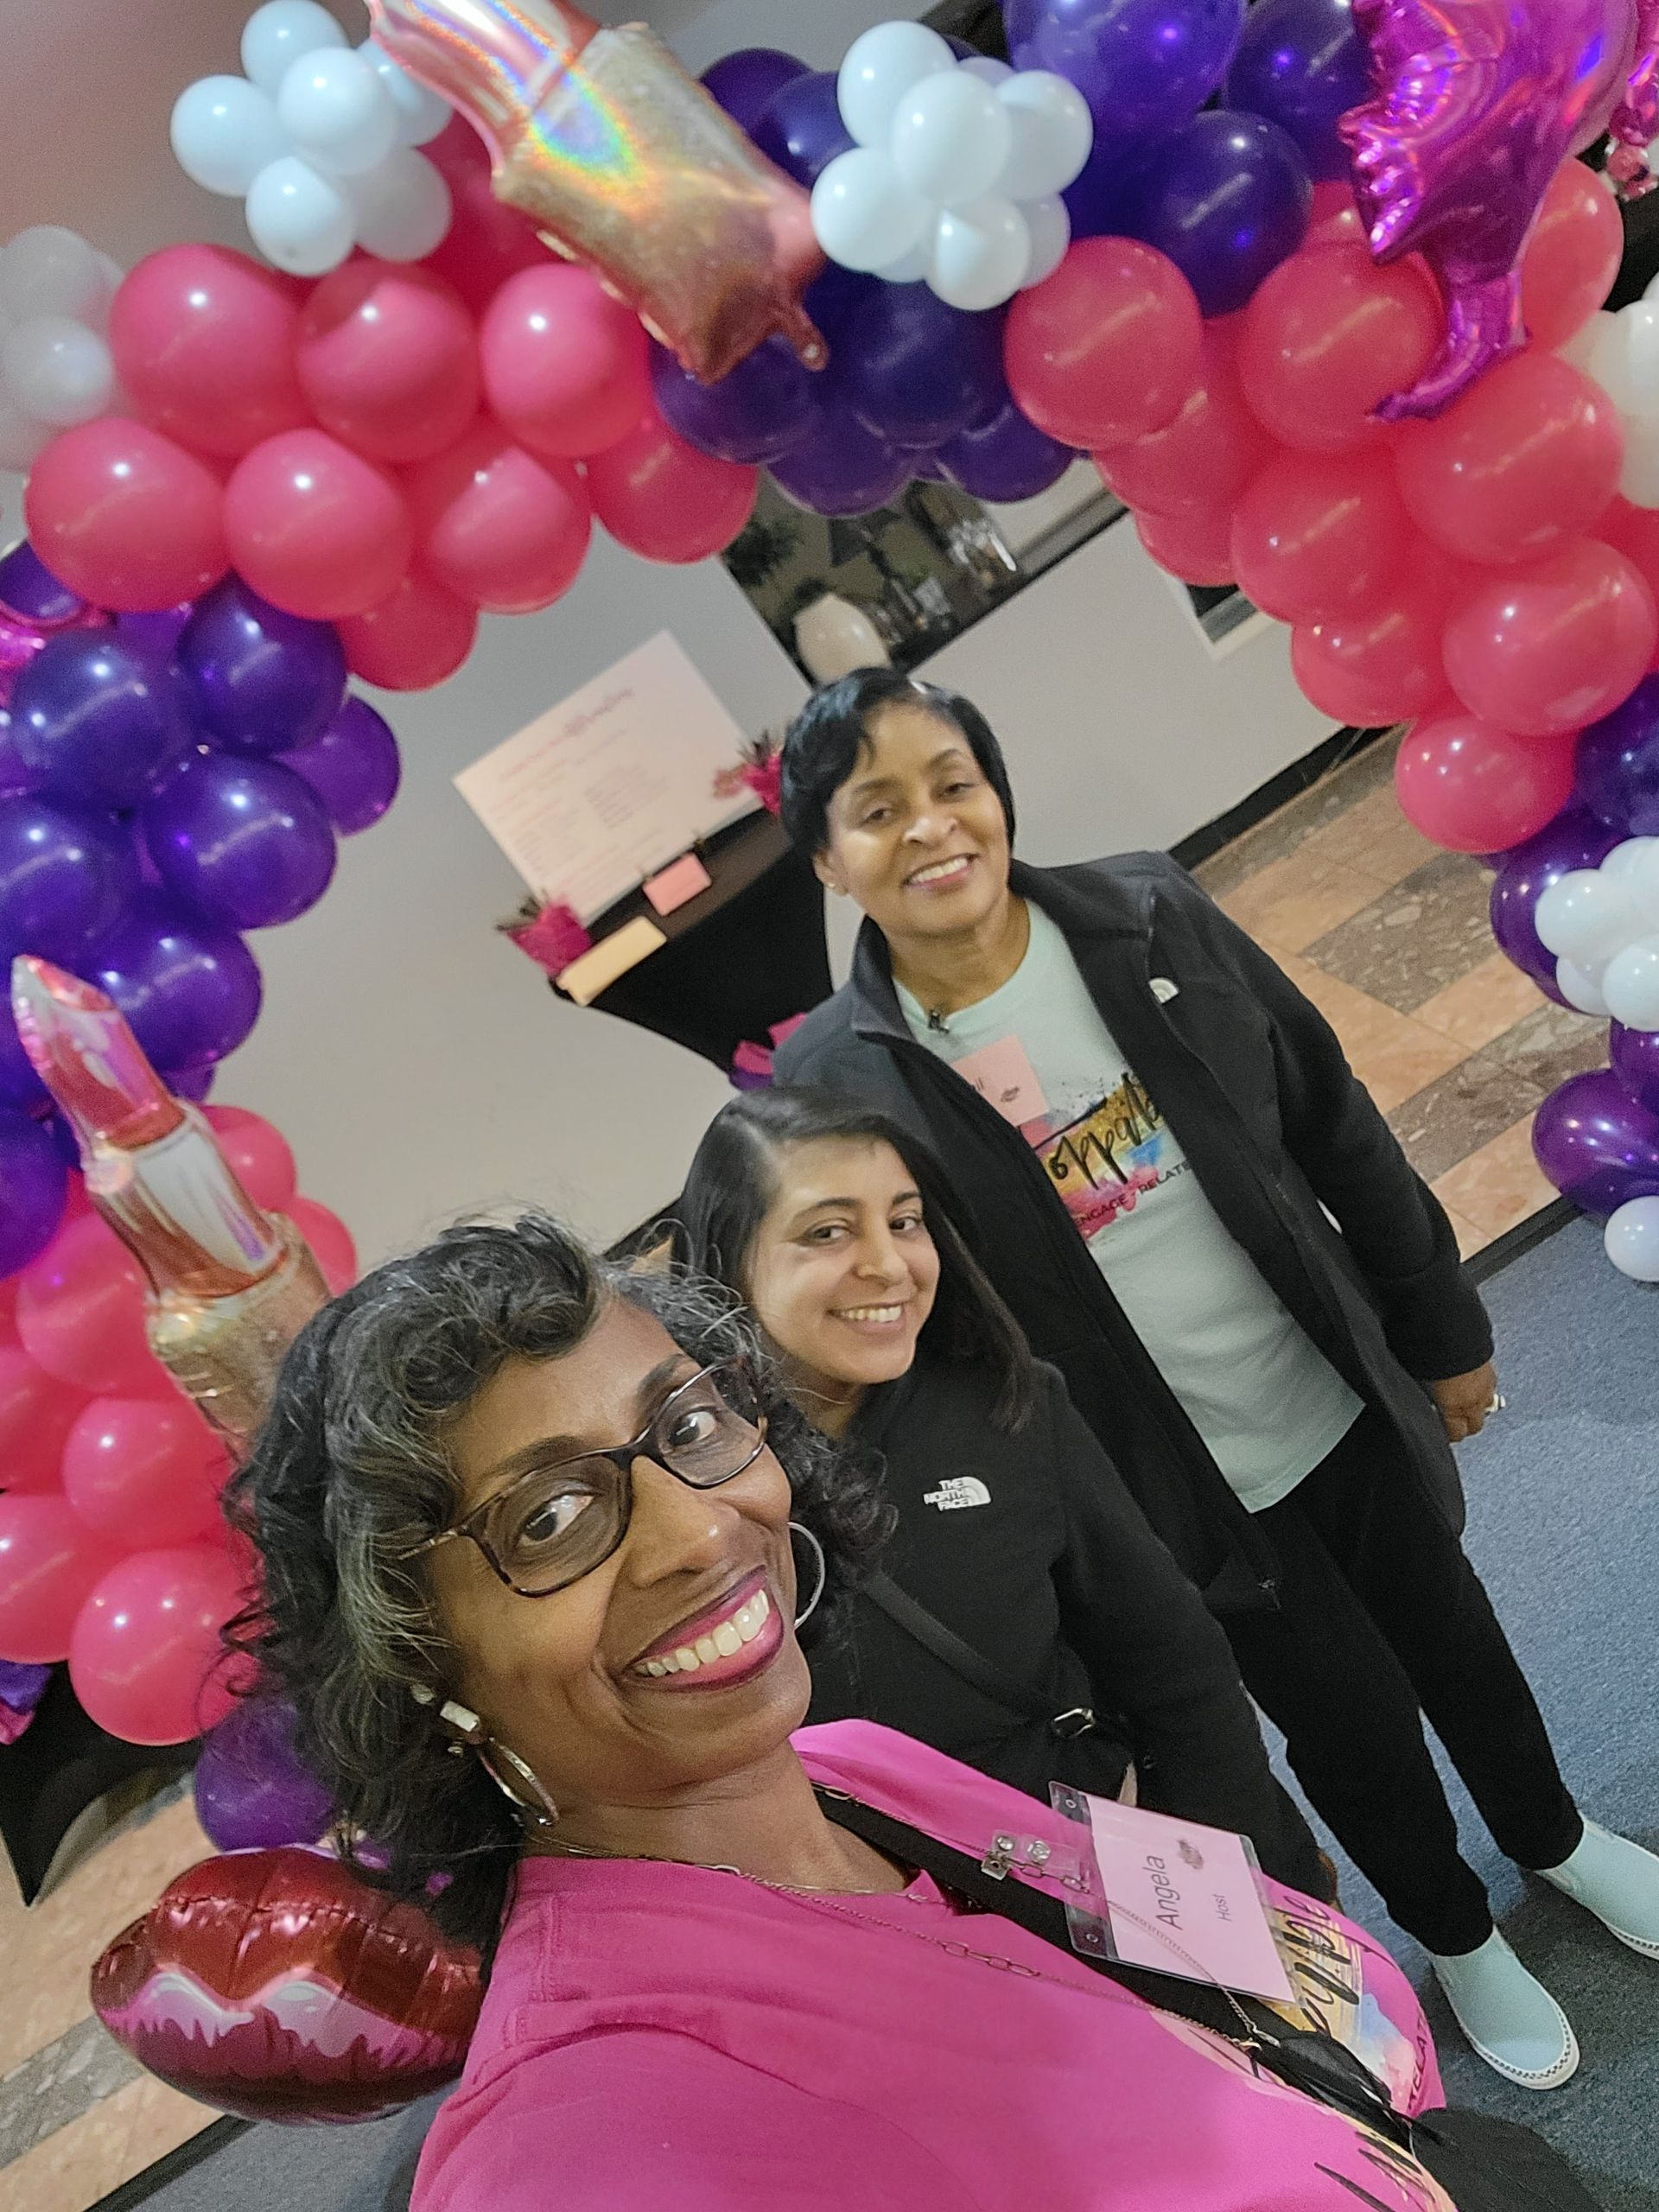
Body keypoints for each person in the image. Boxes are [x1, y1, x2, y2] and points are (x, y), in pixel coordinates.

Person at [771, 665, 1659, 2090]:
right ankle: (1452, 1931)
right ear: (826, 855)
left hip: (1330, 1388)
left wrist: (1439, 1326)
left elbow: (1330, 1120)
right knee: (1347, 1721)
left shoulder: (1146, 914)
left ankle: (1557, 1838)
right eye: (879, 811)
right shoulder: (836, 1088)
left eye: (955, 784)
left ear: (997, 795)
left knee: (1460, 1639)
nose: (933, 828)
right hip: (1162, 1488)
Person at [231, 1213, 1458, 2212]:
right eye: (546, 1518)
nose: (701, 1528)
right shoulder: (581, 2147)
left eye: (688, 1425)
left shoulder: (854, 1768)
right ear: (420, 1667)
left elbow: (1238, 1952)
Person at [674, 1084, 1325, 1894]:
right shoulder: (684, 1500)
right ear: (730, 1259)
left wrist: (1272, 1885)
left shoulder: (1011, 1409)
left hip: (1102, 1884)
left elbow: (1177, 1665)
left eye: (904, 1220)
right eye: (829, 1231)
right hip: (903, 1953)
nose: (888, 1263)